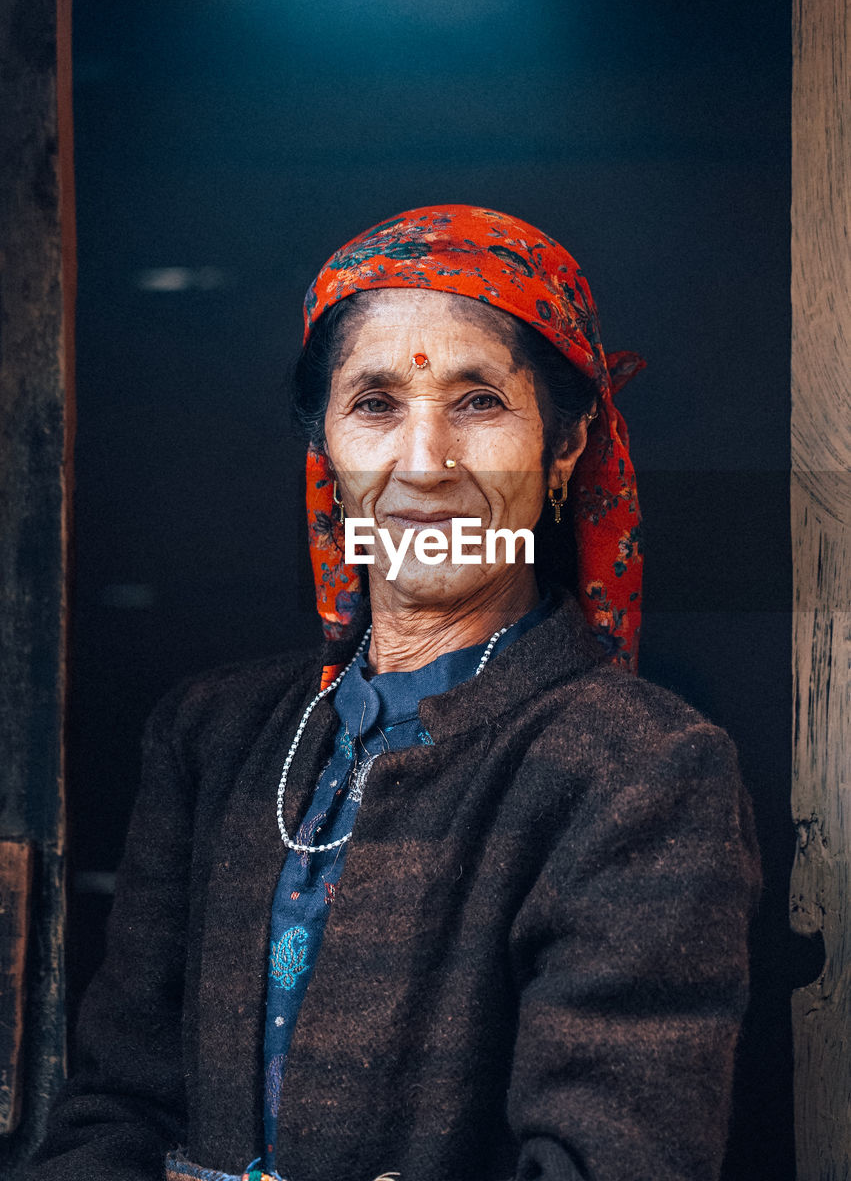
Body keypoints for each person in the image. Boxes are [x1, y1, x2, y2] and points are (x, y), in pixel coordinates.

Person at [28, 205, 760, 1181]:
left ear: (565, 445)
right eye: (375, 402)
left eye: (477, 402)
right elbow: (117, 1101)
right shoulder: (213, 737)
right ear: (325, 448)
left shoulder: (639, 770)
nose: (424, 464)